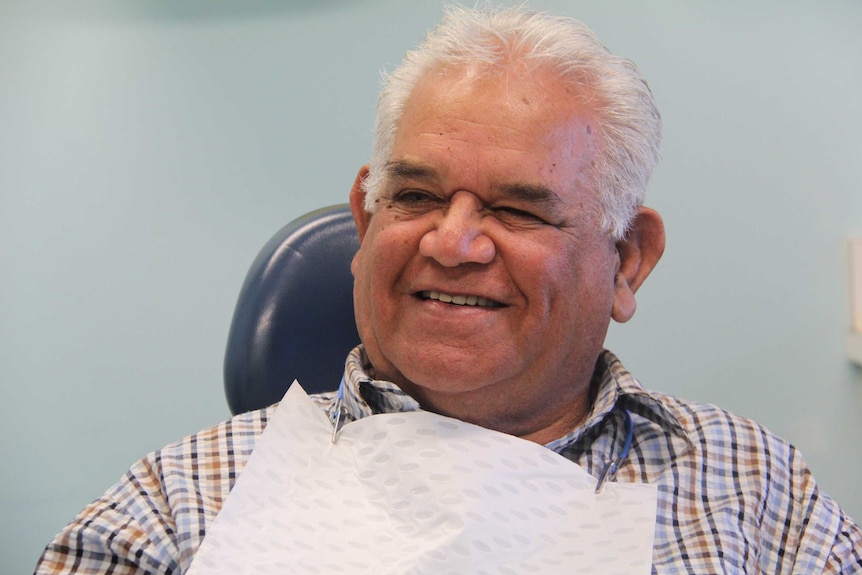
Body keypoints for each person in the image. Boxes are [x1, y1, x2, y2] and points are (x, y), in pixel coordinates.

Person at [35, 5, 862, 574]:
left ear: (630, 258)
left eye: (514, 208)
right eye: (418, 197)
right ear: (366, 220)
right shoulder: (179, 501)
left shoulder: (755, 489)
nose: (452, 241)